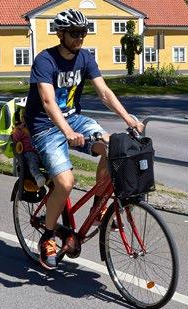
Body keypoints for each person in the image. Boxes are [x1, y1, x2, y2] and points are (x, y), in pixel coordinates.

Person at [24, 8, 145, 270]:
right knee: (66, 183)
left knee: (115, 148)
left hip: (74, 120)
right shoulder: (45, 60)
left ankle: (99, 207)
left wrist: (128, 118)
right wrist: (67, 132)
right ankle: (47, 238)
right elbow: (46, 101)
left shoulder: (85, 58)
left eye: (83, 33)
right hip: (45, 126)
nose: (80, 38)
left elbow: (104, 92)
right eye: (75, 33)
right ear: (61, 33)